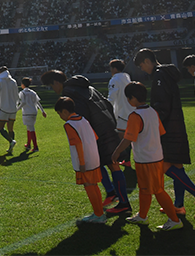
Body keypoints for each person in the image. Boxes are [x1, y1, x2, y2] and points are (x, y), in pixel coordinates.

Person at [41, 70, 132, 215]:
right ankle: (115, 196)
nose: (54, 90)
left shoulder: (70, 94)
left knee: (97, 163)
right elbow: (107, 104)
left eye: (51, 86)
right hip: (107, 126)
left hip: (98, 131)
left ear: (56, 83)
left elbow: (81, 118)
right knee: (110, 165)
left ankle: (121, 201)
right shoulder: (87, 87)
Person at [134, 49, 195, 218]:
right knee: (177, 165)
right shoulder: (165, 73)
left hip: (168, 127)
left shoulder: (160, 76)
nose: (142, 69)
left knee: (165, 166)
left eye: (141, 65)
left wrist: (153, 124)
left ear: (148, 61)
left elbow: (162, 105)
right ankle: (179, 205)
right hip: (175, 125)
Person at [111, 82, 182, 231]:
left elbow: (128, 138)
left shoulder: (135, 116)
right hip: (152, 157)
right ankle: (142, 216)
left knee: (158, 190)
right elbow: (161, 132)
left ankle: (175, 220)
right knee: (144, 189)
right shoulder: (152, 111)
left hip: (148, 159)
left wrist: (117, 151)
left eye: (128, 98)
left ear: (133, 98)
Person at [54, 97, 106, 225]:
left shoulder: (69, 125)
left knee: (89, 187)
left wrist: (82, 163)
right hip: (94, 157)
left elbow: (77, 144)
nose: (60, 116)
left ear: (65, 112)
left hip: (85, 160)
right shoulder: (84, 119)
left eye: (59, 113)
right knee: (94, 186)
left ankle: (99, 214)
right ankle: (99, 212)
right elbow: (95, 136)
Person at [0, 66, 19, 154]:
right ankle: (11, 148)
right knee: (11, 129)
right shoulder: (13, 81)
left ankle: (11, 141)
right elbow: (16, 95)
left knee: (1, 127)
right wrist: (16, 104)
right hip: (13, 108)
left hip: (4, 108)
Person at [107, 59, 134, 136]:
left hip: (121, 114)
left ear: (114, 69)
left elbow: (112, 98)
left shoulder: (114, 80)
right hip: (131, 111)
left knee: (122, 140)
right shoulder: (127, 77)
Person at [19, 77, 46, 152]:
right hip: (34, 112)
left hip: (27, 112)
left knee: (31, 129)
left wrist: (16, 109)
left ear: (23, 84)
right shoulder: (33, 92)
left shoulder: (22, 93)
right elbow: (38, 102)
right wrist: (42, 111)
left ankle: (35, 146)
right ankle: (28, 144)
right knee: (29, 128)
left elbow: (23, 103)